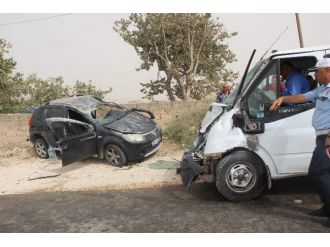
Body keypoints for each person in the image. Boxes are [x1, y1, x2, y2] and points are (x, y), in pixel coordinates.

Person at [270, 57, 330, 227]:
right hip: (322, 137)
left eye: (318, 71)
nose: (315, 74)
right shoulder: (322, 90)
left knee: (317, 172)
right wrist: (283, 99)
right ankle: (327, 207)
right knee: (325, 173)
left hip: (328, 138)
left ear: (328, 71)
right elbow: (303, 97)